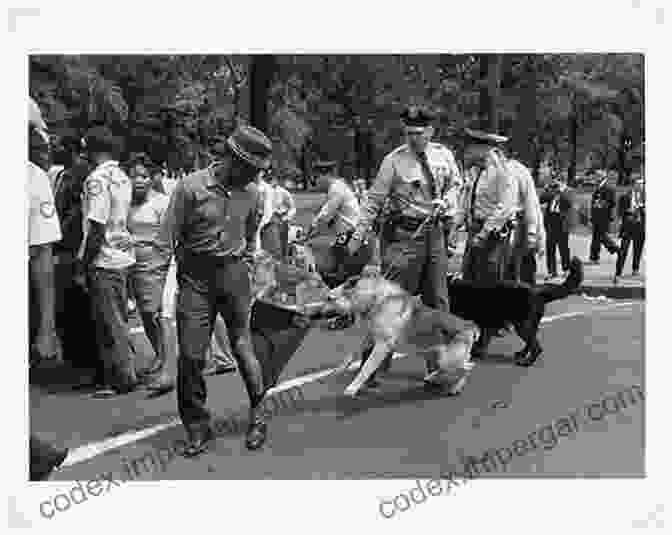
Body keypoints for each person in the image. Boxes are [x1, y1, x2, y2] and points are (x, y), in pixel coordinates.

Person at [155, 125, 272, 456]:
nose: (255, 176)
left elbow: (250, 238)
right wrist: (157, 291)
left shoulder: (253, 193)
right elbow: (166, 239)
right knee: (191, 356)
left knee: (243, 346)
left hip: (233, 275)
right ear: (232, 159)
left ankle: (259, 415)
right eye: (251, 169)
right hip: (195, 277)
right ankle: (197, 426)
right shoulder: (190, 188)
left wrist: (250, 270)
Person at [347, 106, 462, 386]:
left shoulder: (444, 156)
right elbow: (373, 200)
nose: (413, 138)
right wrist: (357, 234)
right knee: (388, 301)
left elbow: (457, 184)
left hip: (435, 235)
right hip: (404, 237)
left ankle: (442, 369)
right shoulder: (394, 161)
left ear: (430, 132)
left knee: (438, 303)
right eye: (409, 133)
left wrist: (447, 201)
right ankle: (371, 370)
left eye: (419, 133)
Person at [74, 125, 140, 397]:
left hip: (104, 259)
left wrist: (83, 263)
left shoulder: (97, 179)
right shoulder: (122, 176)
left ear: (92, 150)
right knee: (119, 318)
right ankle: (123, 371)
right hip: (123, 258)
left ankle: (121, 378)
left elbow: (97, 227)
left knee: (109, 321)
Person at [28, 96, 69, 479]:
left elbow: (41, 254)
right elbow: (41, 255)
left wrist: (45, 327)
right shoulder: (33, 176)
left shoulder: (34, 177)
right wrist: (45, 328)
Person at [126, 154, 175, 394]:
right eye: (134, 176)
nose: (138, 181)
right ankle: (159, 356)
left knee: (154, 313)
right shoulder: (124, 202)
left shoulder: (162, 202)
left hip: (156, 264)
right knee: (146, 316)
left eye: (144, 176)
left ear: (152, 178)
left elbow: (170, 236)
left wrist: (162, 261)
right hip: (132, 265)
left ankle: (167, 361)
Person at [51, 135, 99, 370]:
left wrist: (62, 226)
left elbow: (81, 210)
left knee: (79, 306)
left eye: (58, 146)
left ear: (70, 149)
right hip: (61, 247)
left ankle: (85, 359)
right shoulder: (63, 173)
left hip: (74, 247)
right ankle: (74, 358)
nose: (53, 150)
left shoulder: (82, 172)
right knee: (67, 306)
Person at [460, 129, 518, 285]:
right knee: (470, 276)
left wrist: (484, 233)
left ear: (484, 149)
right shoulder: (474, 170)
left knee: (489, 278)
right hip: (475, 228)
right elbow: (467, 200)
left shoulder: (502, 171)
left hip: (493, 234)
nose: (467, 151)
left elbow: (505, 207)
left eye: (471, 147)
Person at [307, 158, 362, 280]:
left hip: (351, 235)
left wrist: (309, 233)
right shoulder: (336, 188)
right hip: (348, 234)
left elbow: (325, 216)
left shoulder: (336, 189)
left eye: (316, 179)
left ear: (324, 175)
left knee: (339, 275)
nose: (316, 184)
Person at [504, 154, 546, 285]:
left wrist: (532, 234)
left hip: (518, 231)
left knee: (522, 271)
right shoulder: (480, 171)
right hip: (508, 232)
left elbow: (531, 204)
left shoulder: (517, 170)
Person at [540, 178, 575, 280]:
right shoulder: (551, 191)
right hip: (551, 222)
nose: (556, 184)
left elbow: (568, 203)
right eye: (555, 182)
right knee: (550, 248)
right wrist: (547, 189)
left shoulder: (568, 191)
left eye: (559, 182)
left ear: (563, 182)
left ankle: (566, 269)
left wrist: (561, 191)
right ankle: (551, 271)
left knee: (563, 248)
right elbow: (541, 199)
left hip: (562, 223)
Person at [613, 177, 645, 284]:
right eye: (639, 184)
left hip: (640, 226)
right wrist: (627, 212)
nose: (641, 186)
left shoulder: (644, 197)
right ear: (633, 185)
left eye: (642, 184)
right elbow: (619, 212)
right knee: (623, 250)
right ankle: (618, 272)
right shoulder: (625, 197)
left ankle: (635, 268)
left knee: (638, 248)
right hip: (628, 226)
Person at [588, 171, 619, 263]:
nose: (595, 178)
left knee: (601, 236)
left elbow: (612, 202)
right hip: (596, 215)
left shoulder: (608, 187)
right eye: (595, 176)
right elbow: (594, 202)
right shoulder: (598, 187)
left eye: (597, 176)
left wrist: (601, 204)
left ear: (602, 177)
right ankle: (594, 257)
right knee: (597, 237)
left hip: (604, 216)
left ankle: (616, 249)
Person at [268, 173, 296, 259]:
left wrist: (286, 217)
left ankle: (284, 260)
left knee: (283, 243)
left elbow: (292, 208)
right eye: (269, 179)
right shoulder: (264, 191)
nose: (271, 181)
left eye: (273, 179)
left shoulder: (283, 192)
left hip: (281, 219)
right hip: (269, 220)